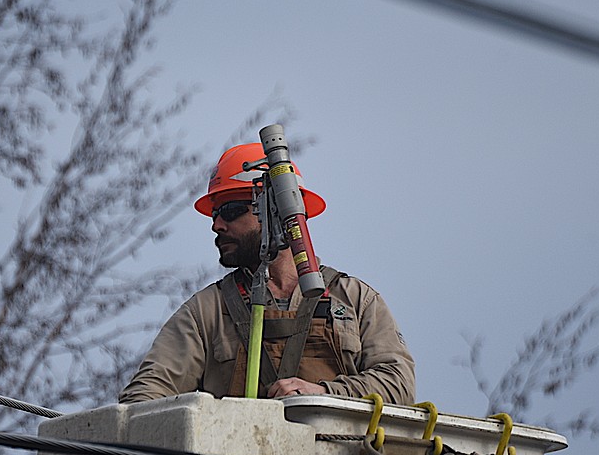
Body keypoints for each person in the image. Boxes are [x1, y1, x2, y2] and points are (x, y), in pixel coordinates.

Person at [119, 142, 415, 405]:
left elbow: (398, 384)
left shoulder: (353, 300)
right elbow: (143, 398)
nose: (217, 225)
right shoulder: (207, 311)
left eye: (231, 210)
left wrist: (323, 395)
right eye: (214, 214)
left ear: (277, 209)